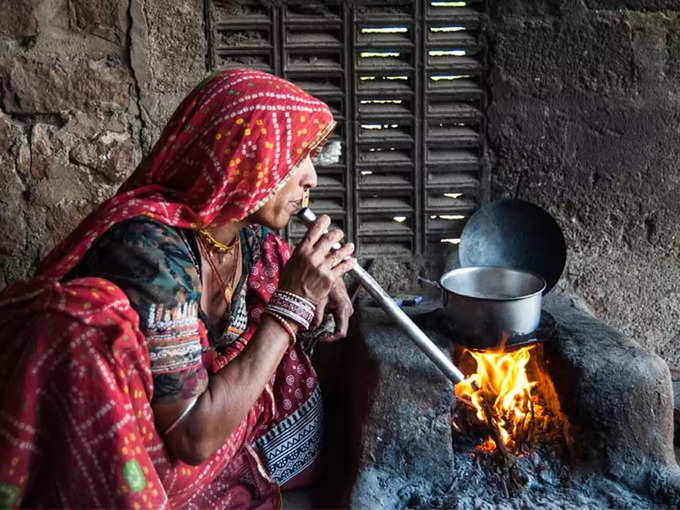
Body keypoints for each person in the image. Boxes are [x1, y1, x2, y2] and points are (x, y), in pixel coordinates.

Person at [0, 68, 356, 508]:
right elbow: (193, 435)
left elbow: (278, 262)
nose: (311, 179)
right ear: (244, 159)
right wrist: (293, 305)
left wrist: (328, 280)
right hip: (162, 433)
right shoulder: (150, 251)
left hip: (196, 412)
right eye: (297, 158)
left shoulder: (239, 232)